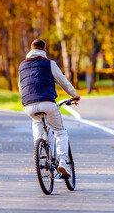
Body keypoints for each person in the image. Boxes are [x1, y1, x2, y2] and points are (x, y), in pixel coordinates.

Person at [18, 39, 80, 176]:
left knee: (36, 121)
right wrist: (74, 95)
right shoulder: (49, 64)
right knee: (60, 131)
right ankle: (63, 162)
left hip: (28, 105)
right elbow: (62, 80)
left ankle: (38, 150)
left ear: (31, 49)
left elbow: (21, 87)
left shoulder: (22, 66)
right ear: (44, 50)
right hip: (47, 102)